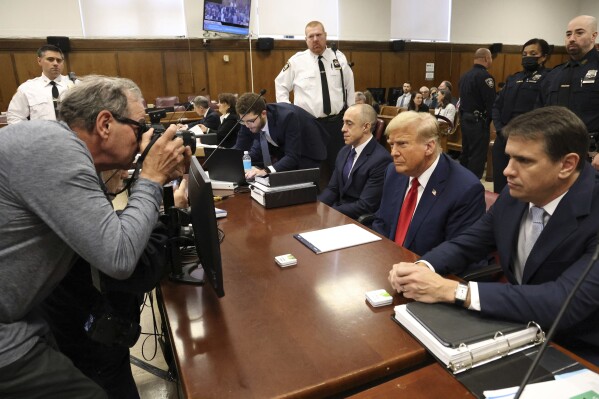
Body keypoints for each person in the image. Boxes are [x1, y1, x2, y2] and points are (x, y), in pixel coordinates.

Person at [0, 75, 191, 398]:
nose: (144, 138)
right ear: (105, 123)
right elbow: (119, 256)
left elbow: (102, 232)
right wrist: (152, 177)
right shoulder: (56, 149)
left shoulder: (48, 140)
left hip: (23, 312)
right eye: (138, 126)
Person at [388, 106, 599, 365]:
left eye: (524, 161)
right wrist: (421, 267)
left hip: (578, 348)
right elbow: (469, 242)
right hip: (516, 327)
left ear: (567, 164)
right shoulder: (514, 196)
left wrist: (454, 291)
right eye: (509, 158)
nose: (507, 171)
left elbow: (564, 301)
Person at [39, 170, 187, 399]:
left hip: (79, 331)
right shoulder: (77, 195)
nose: (125, 172)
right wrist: (166, 214)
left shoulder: (62, 187)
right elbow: (140, 269)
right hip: (88, 345)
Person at [372, 111, 485, 259]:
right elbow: (382, 221)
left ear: (429, 147)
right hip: (386, 260)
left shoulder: (465, 189)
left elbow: (458, 254)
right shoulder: (393, 172)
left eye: (402, 144)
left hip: (427, 272)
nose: (393, 152)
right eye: (391, 144)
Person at [275, 20, 355, 179]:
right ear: (306, 40)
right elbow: (281, 85)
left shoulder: (338, 57)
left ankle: (339, 202)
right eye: (311, 36)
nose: (315, 39)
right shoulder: (297, 61)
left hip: (336, 124)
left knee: (339, 167)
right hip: (309, 125)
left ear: (325, 36)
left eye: (318, 35)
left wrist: (352, 115)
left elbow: (349, 86)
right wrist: (289, 112)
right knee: (311, 169)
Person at [538, 15, 599, 170]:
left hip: (591, 154)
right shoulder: (554, 74)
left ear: (594, 36)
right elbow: (540, 112)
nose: (572, 38)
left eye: (579, 33)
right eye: (568, 34)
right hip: (555, 151)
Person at [492, 38, 550, 193]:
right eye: (524, 54)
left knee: (522, 184)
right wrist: (500, 129)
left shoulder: (548, 78)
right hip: (503, 137)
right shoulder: (513, 78)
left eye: (533, 53)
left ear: (543, 57)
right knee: (500, 182)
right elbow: (497, 106)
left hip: (528, 139)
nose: (527, 57)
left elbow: (544, 110)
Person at [318, 104, 392, 219]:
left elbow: (365, 205)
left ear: (366, 127)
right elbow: (332, 189)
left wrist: (328, 212)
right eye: (343, 123)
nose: (343, 129)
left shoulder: (381, 159)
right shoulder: (344, 151)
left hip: (358, 220)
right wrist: (317, 207)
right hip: (338, 212)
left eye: (349, 123)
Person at [233, 92, 328, 180]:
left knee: (304, 188)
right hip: (285, 150)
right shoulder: (248, 120)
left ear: (263, 114)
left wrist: (265, 171)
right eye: (242, 121)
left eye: (250, 121)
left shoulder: (287, 117)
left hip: (308, 149)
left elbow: (292, 156)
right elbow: (239, 151)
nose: (246, 125)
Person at [7, 44, 77, 124]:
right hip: (41, 135)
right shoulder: (27, 88)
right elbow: (14, 117)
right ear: (39, 61)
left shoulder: (77, 85)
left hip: (71, 134)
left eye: (59, 60)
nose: (55, 63)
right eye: (50, 59)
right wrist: (30, 133)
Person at [458, 48, 496, 178]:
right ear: (486, 58)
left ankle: (461, 181)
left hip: (464, 118)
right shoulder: (485, 77)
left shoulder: (464, 76)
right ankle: (473, 186)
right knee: (477, 155)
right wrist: (490, 121)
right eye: (491, 58)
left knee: (466, 152)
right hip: (478, 122)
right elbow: (491, 103)